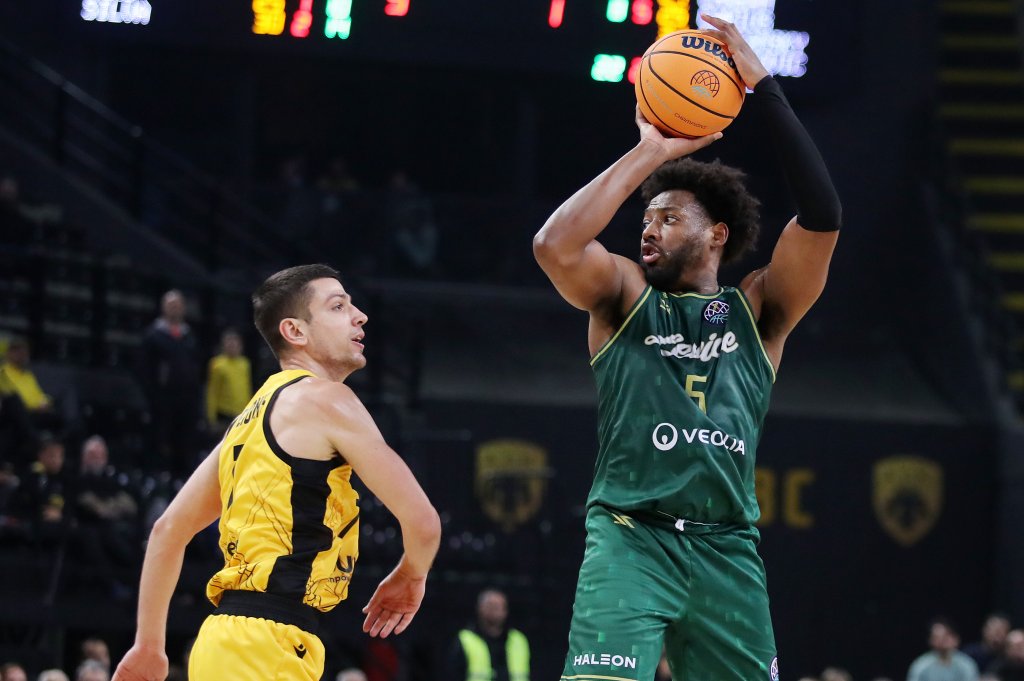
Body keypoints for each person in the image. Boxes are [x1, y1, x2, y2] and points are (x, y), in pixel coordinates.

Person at [533, 15, 841, 681]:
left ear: (717, 235)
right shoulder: (624, 297)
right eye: (646, 219)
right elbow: (553, 246)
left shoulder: (759, 311)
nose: (649, 230)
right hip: (630, 536)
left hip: (726, 546)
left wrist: (765, 88)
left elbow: (823, 216)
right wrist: (650, 153)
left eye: (669, 218)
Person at [112, 264, 442, 681]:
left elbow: (167, 530)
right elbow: (423, 524)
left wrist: (148, 645)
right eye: (338, 306)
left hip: (222, 641)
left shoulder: (248, 419)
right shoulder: (327, 399)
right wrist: (412, 573)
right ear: (295, 331)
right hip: (268, 642)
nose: (360, 316)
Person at [140, 289, 202, 476]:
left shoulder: (190, 336)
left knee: (185, 445)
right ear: (163, 308)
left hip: (186, 401)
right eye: (170, 305)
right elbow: (144, 370)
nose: (174, 309)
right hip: (162, 401)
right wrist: (153, 394)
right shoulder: (153, 335)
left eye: (177, 305)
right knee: (160, 442)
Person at [448, 588, 530, 681]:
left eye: (498, 607)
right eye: (490, 606)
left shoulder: (518, 639)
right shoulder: (465, 639)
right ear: (479, 608)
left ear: (506, 611)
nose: (494, 611)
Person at [204, 328, 253, 433]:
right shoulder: (217, 365)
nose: (232, 346)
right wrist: (211, 416)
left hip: (242, 413)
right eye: (229, 343)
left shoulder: (245, 364)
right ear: (223, 345)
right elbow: (212, 391)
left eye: (235, 343)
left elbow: (247, 387)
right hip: (224, 413)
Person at [907, 619, 979, 681]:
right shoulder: (921, 665)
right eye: (937, 637)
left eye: (946, 636)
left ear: (955, 638)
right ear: (930, 640)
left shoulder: (966, 664)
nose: (942, 640)